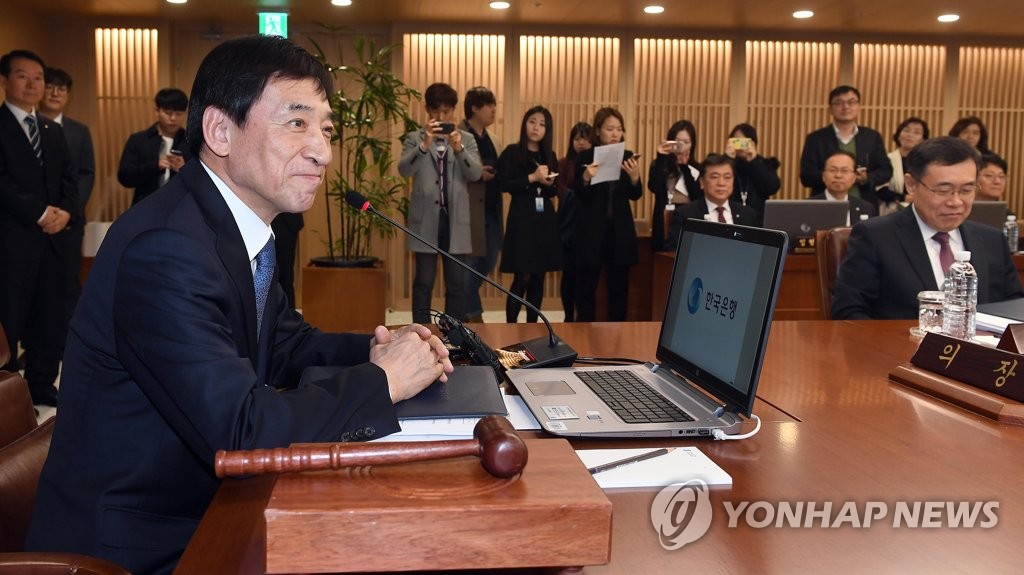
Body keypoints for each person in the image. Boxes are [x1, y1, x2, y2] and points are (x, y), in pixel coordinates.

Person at [26, 35, 452, 574]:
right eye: (296, 123)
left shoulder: (228, 227)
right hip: (143, 545)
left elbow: (283, 343)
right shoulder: (166, 248)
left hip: (202, 509)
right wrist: (383, 381)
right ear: (220, 131)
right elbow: (242, 432)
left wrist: (380, 348)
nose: (322, 151)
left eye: (325, 129)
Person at [831, 137, 1024, 320]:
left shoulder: (992, 240)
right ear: (911, 185)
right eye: (943, 190)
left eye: (966, 190)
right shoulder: (875, 237)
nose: (956, 202)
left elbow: (1013, 309)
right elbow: (848, 312)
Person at [0, 49, 78, 407]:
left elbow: (69, 179)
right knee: (10, 319)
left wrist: (67, 212)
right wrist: (40, 212)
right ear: (5, 81)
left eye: (38, 78)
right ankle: (8, 396)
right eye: (22, 76)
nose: (33, 84)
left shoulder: (51, 129)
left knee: (49, 318)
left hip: (53, 242)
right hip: (12, 243)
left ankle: (42, 384)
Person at [398, 82, 483, 324]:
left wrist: (459, 149)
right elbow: (404, 170)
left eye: (446, 111)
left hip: (456, 220)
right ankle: (420, 330)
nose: (441, 117)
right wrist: (424, 145)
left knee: (456, 283)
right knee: (423, 282)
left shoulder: (466, 139)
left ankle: (453, 333)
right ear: (427, 109)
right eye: (436, 111)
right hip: (426, 219)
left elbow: (476, 173)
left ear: (454, 110)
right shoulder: (415, 138)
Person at [38, 66, 96, 333]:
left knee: (69, 282)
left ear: (68, 95)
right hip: (34, 220)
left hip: (70, 221)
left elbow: (87, 173)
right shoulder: (27, 128)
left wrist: (69, 211)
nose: (54, 93)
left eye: (61, 89)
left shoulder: (79, 131)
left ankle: (69, 339)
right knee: (36, 283)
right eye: (50, 87)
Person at [574, 107, 643, 322]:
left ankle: (617, 335)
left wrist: (634, 177)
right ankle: (583, 333)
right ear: (598, 131)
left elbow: (635, 194)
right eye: (610, 128)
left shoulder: (628, 156)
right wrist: (585, 177)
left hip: (619, 232)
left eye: (619, 129)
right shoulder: (585, 156)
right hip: (592, 232)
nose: (615, 134)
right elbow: (579, 194)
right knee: (586, 289)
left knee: (619, 289)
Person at [497, 105, 562, 323]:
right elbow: (504, 184)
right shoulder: (512, 152)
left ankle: (532, 327)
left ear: (547, 130)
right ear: (525, 124)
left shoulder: (549, 155)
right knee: (522, 276)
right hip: (522, 220)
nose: (536, 127)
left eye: (542, 124)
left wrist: (549, 183)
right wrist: (532, 178)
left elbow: (554, 191)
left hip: (544, 221)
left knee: (538, 277)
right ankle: (511, 326)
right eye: (532, 121)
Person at [799, 85, 893, 208]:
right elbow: (806, 176)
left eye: (851, 102)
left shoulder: (872, 137)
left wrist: (866, 178)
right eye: (839, 103)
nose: (846, 107)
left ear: (859, 106)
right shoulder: (816, 138)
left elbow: (886, 170)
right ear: (830, 109)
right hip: (824, 205)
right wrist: (833, 176)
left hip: (864, 203)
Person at [460, 86, 500, 323]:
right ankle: (474, 319)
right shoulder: (459, 135)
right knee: (469, 265)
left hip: (492, 210)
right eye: (489, 105)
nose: (494, 109)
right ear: (474, 108)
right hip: (468, 211)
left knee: (489, 260)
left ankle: (465, 310)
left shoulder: (493, 138)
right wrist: (477, 173)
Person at [117, 87, 191, 205]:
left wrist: (185, 168)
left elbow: (204, 179)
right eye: (168, 113)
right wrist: (155, 166)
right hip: (145, 205)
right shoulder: (139, 140)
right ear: (157, 111)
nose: (173, 118)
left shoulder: (191, 142)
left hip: (182, 207)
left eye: (179, 114)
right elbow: (124, 177)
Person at [669, 154, 758, 243]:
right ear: (702, 182)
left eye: (727, 177)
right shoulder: (685, 215)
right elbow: (673, 249)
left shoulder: (748, 215)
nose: (721, 183)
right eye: (715, 177)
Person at [555, 121, 592, 322]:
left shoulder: (594, 164)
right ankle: (568, 316)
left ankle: (581, 315)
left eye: (585, 139)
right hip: (567, 227)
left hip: (588, 226)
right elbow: (560, 189)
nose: (581, 143)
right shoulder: (563, 163)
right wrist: (578, 189)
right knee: (568, 275)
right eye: (577, 139)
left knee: (584, 276)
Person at [647, 119, 700, 251]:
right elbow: (654, 187)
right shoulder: (660, 164)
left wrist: (684, 167)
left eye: (686, 142)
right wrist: (661, 157)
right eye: (678, 141)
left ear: (692, 144)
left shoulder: (697, 168)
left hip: (688, 219)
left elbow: (697, 196)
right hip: (663, 217)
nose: (682, 146)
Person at [725, 122, 780, 226]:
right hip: (729, 219)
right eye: (737, 141)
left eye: (745, 142)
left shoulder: (764, 164)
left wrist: (754, 161)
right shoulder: (724, 164)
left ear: (753, 143)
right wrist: (728, 159)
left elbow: (772, 188)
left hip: (757, 221)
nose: (741, 147)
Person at [810, 151, 878, 225]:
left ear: (854, 177)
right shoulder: (808, 206)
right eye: (833, 170)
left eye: (844, 171)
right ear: (823, 176)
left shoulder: (866, 208)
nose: (838, 175)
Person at [884, 116, 930, 211]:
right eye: (906, 130)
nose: (910, 135)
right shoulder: (887, 159)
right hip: (891, 209)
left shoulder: (926, 162)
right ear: (898, 135)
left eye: (916, 132)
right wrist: (904, 198)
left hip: (921, 208)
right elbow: (880, 189)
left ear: (923, 139)